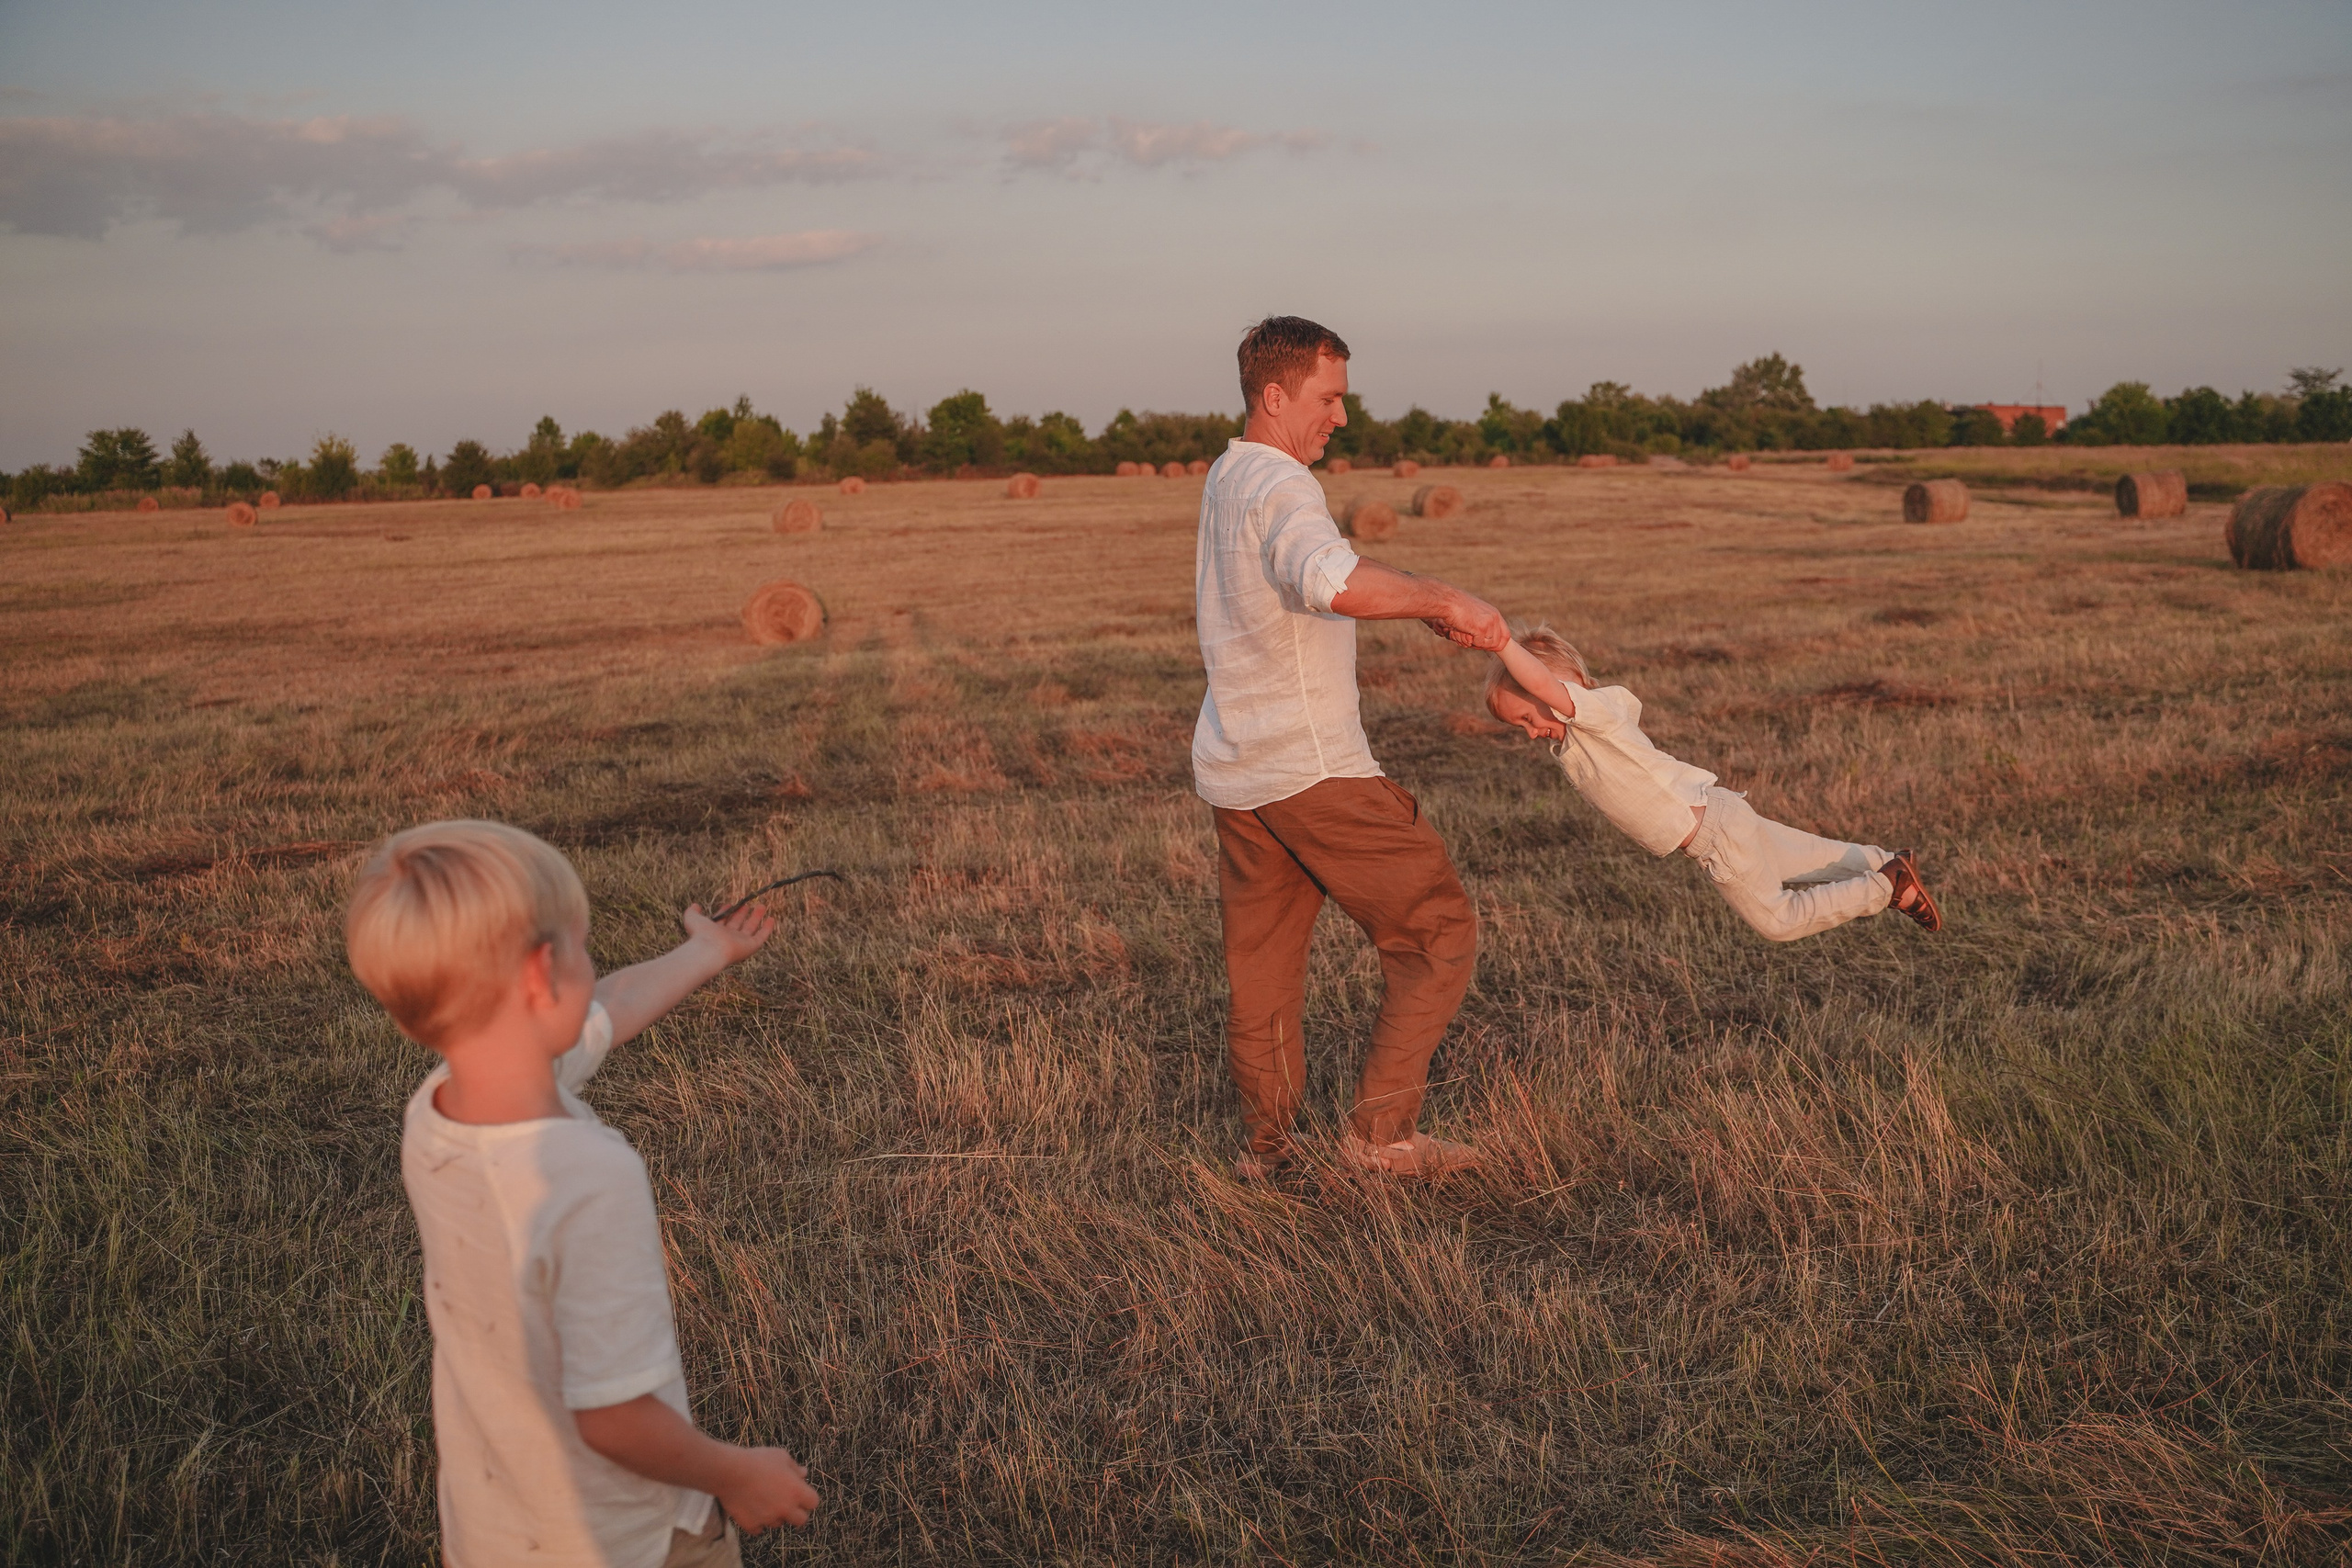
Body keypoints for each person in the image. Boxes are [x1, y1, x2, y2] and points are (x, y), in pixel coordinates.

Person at [344, 819, 820, 1567]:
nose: (596, 970)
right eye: (583, 945)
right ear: (542, 975)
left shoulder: (437, 1110)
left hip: (500, 1524)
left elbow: (611, 1004)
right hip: (625, 1539)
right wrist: (736, 1472)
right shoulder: (588, 1176)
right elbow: (614, 1417)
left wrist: (708, 949)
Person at [1195, 315, 1509, 1180]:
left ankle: (1268, 1153)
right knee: (1438, 930)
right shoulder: (1282, 486)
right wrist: (1444, 599)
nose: (1340, 416)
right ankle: (1382, 1140)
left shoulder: (1226, 474)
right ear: (1276, 394)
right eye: (1328, 397)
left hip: (1237, 768)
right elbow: (1329, 580)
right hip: (1312, 768)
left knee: (1262, 975)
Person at [1486, 625, 1942, 940]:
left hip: (1713, 835)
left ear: (1559, 688)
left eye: (1527, 717)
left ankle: (1886, 886)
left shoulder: (1592, 714)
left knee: (1778, 921)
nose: (1529, 732)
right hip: (1722, 814)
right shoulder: (1581, 734)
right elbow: (1542, 692)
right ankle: (1886, 860)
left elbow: (1545, 686)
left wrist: (1501, 641)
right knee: (1810, 859)